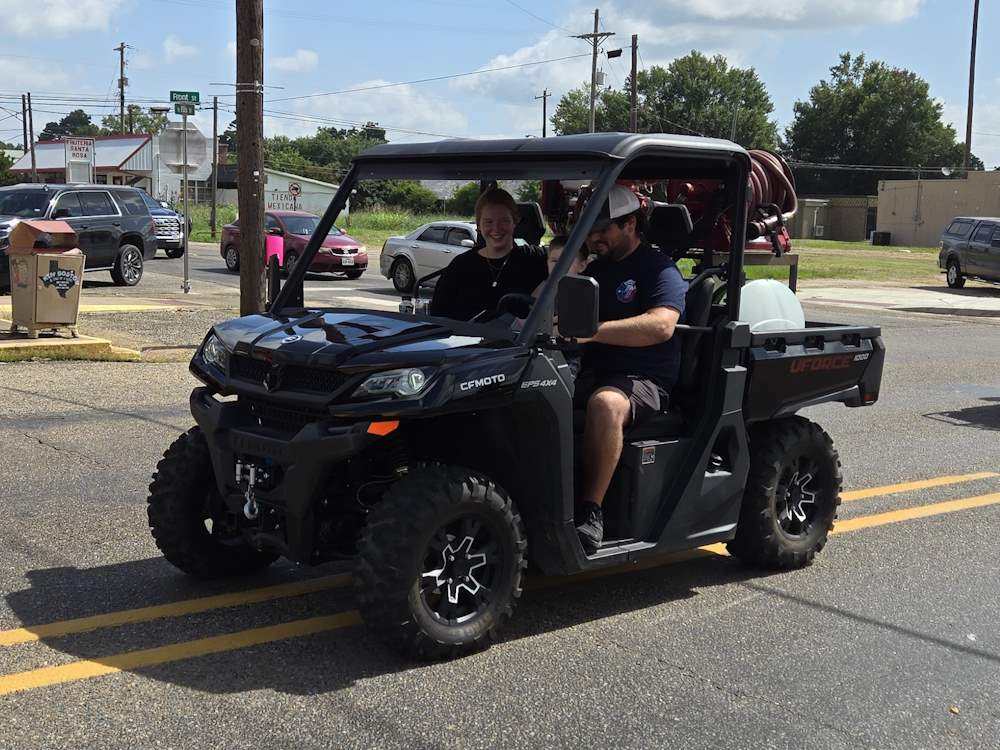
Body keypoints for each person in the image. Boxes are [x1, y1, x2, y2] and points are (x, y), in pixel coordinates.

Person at [573, 185, 688, 552]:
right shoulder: (594, 269)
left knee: (605, 404)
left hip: (644, 379)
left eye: (603, 228)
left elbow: (661, 326)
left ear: (630, 224)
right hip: (591, 370)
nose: (594, 236)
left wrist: (590, 333)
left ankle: (591, 511)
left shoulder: (659, 269)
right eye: (590, 228)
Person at [430, 187, 547, 321]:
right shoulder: (460, 267)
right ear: (479, 225)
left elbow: (570, 263)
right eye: (488, 222)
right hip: (465, 341)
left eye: (504, 221)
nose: (496, 229)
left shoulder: (535, 259)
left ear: (515, 222)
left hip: (520, 342)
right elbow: (438, 318)